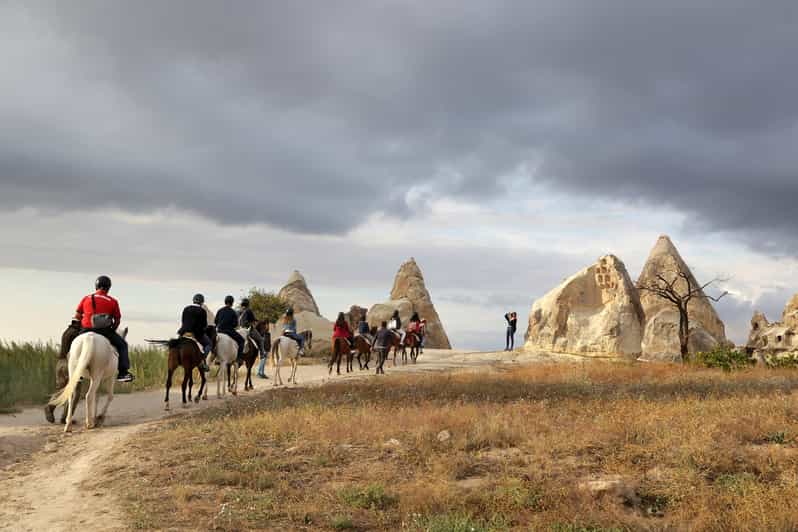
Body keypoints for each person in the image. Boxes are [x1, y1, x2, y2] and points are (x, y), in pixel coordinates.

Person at [74, 275, 134, 382]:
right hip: (104, 331)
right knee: (123, 345)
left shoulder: (86, 298)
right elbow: (117, 320)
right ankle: (123, 373)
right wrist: (112, 329)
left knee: (72, 342)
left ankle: (73, 368)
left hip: (86, 329)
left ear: (96, 286)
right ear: (108, 288)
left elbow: (78, 315)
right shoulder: (113, 301)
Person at [44, 320, 84, 423]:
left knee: (62, 389)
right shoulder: (79, 333)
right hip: (70, 364)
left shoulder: (67, 331)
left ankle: (50, 407)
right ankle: (65, 417)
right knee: (75, 392)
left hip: (60, 364)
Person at [177, 294, 211, 371]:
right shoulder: (202, 311)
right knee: (209, 344)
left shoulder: (186, 308)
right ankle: (202, 361)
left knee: (176, 344)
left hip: (183, 332)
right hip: (195, 334)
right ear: (202, 302)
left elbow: (183, 321)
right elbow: (204, 325)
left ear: (193, 300)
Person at [215, 295, 244, 362]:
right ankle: (238, 358)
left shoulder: (220, 310)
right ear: (232, 303)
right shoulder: (233, 312)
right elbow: (235, 324)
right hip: (229, 331)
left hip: (219, 331)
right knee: (242, 341)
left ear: (225, 301)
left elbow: (215, 321)